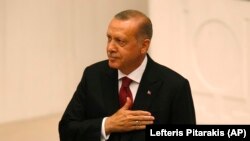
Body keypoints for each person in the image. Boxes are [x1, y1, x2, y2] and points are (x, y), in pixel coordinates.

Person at [59, 9, 196, 141]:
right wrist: (107, 125)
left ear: (144, 46)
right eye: (109, 38)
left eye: (120, 41)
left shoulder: (175, 86)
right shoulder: (93, 75)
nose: (110, 48)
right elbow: (66, 129)